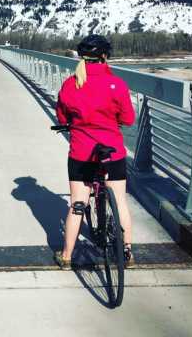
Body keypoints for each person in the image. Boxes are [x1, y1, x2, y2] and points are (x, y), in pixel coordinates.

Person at [55, 34, 136, 270]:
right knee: (119, 201)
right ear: (104, 57)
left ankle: (67, 256)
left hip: (81, 153)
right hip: (112, 152)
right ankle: (127, 252)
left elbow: (62, 116)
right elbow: (128, 119)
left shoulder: (71, 84)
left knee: (77, 205)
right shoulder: (117, 84)